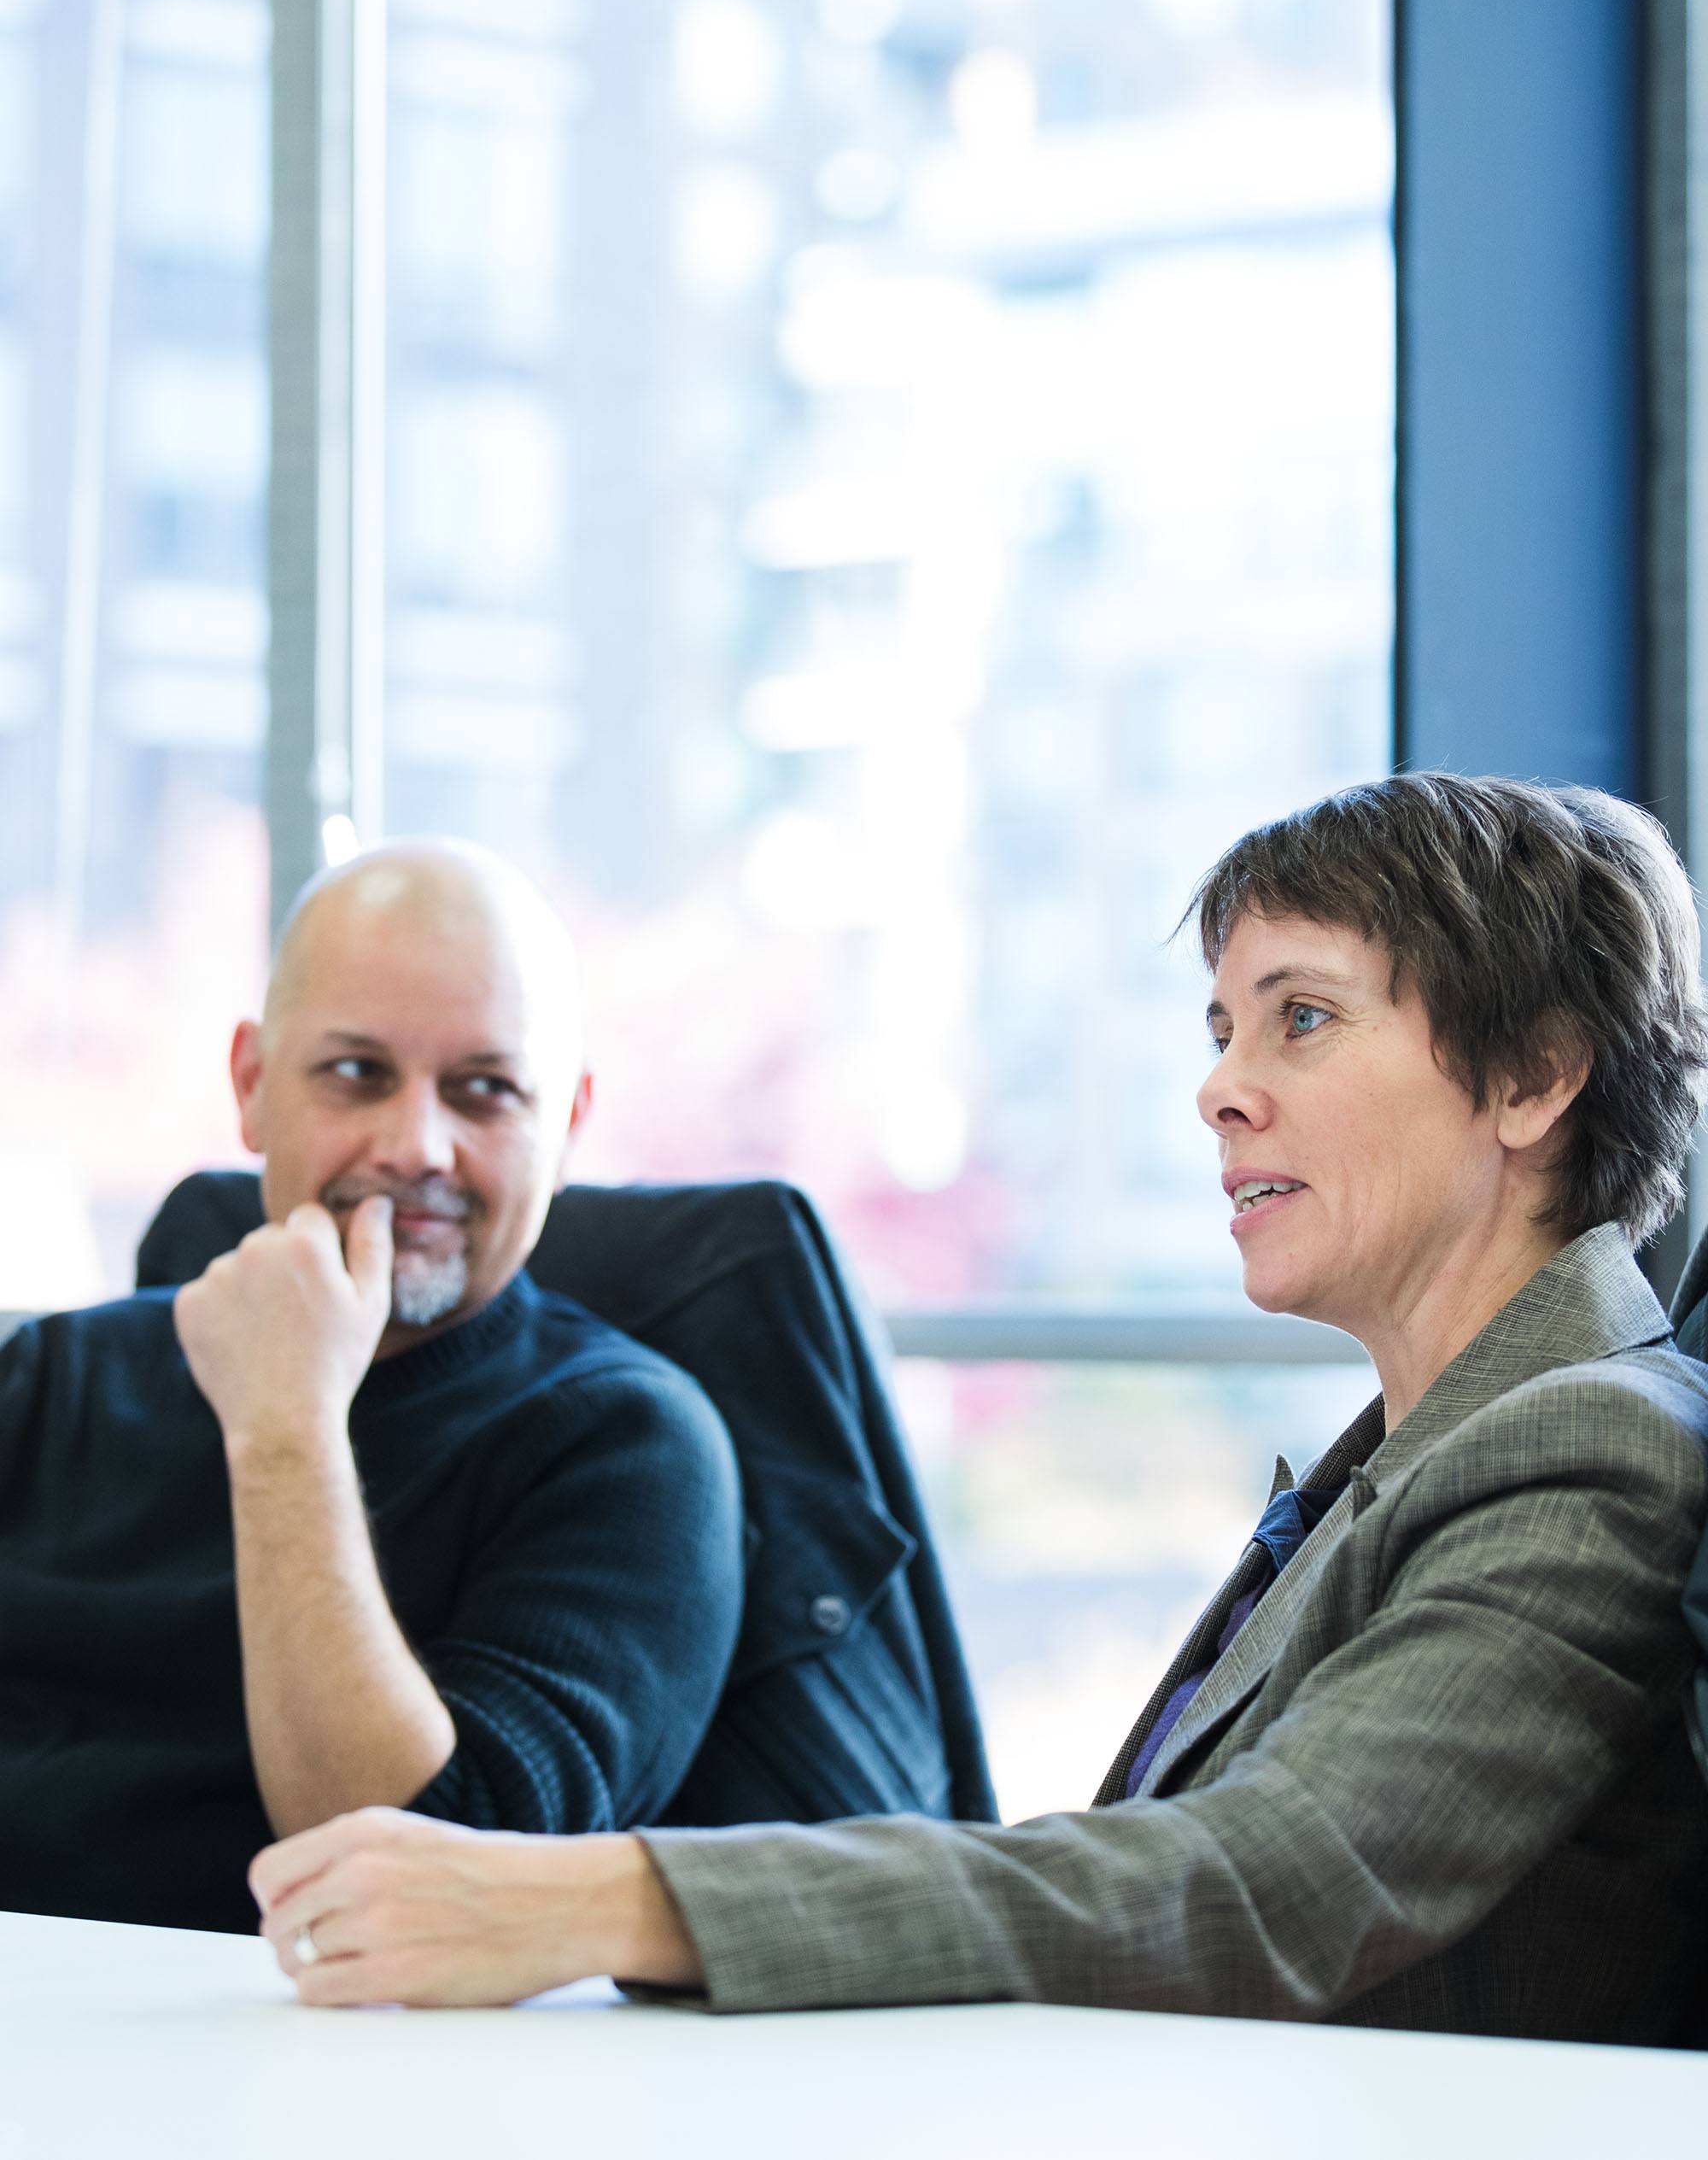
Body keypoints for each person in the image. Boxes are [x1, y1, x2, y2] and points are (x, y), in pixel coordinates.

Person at [255, 775, 1708, 2045]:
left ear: (1533, 1076)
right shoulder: (1405, 1458)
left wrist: (612, 1896)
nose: (1218, 1090)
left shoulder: (1590, 1446)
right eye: (1219, 1030)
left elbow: (1266, 1883)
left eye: (1302, 1020)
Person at [0, 842, 744, 1933]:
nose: (417, 1146)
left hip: (345, 2078)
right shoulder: (51, 1380)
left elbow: (430, 1891)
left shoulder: (630, 1448)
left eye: (483, 1089)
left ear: (568, 1124)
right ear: (252, 1085)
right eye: (357, 1073)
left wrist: (286, 1424)